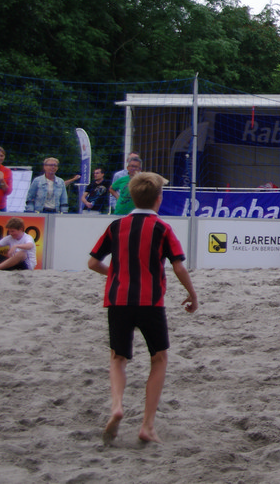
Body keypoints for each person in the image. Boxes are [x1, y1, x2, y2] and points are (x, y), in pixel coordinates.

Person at [87, 171, 198, 444]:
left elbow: (92, 262)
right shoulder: (162, 228)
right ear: (159, 199)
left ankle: (117, 406)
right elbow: (178, 267)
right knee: (158, 359)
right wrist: (192, 294)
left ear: (133, 196)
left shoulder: (116, 226)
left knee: (118, 357)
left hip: (118, 300)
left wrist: (114, 274)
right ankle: (147, 425)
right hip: (150, 301)